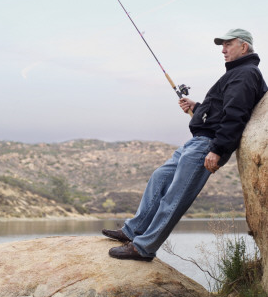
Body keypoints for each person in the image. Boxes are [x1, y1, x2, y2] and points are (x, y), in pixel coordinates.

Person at [102, 28, 267, 262]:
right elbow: (220, 111)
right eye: (223, 45)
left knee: (175, 197)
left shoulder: (246, 74)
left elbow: (236, 115)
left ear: (244, 47)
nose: (223, 50)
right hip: (196, 142)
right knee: (159, 177)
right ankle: (132, 231)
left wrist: (218, 150)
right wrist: (197, 107)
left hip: (207, 145)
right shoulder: (237, 73)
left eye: (228, 45)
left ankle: (143, 248)